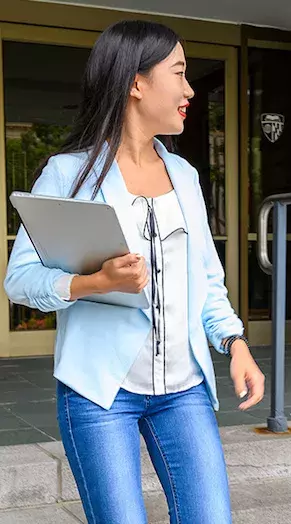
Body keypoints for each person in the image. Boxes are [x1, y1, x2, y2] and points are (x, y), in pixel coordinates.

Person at [4, 20, 264, 524]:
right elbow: (20, 279)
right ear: (136, 82)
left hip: (183, 390)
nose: (190, 89)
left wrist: (236, 345)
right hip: (101, 393)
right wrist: (94, 284)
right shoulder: (68, 173)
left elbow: (207, 279)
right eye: (180, 73)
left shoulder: (185, 176)